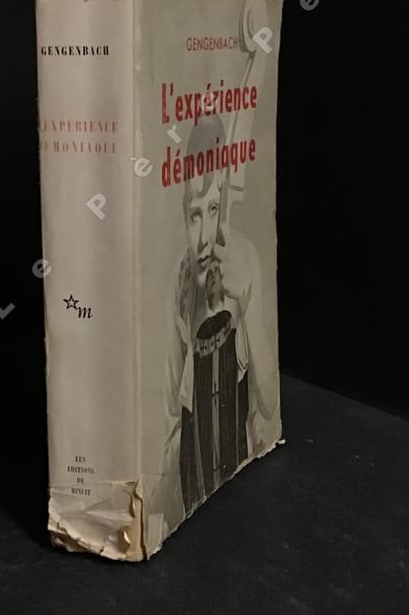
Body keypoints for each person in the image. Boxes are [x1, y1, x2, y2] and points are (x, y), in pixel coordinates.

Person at [160, 113, 279, 526]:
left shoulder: (244, 260)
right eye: (195, 215)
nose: (204, 235)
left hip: (241, 477)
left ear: (224, 202)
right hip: (192, 484)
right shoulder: (178, 282)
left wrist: (247, 303)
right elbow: (168, 409)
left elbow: (269, 403)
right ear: (183, 214)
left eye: (212, 209)